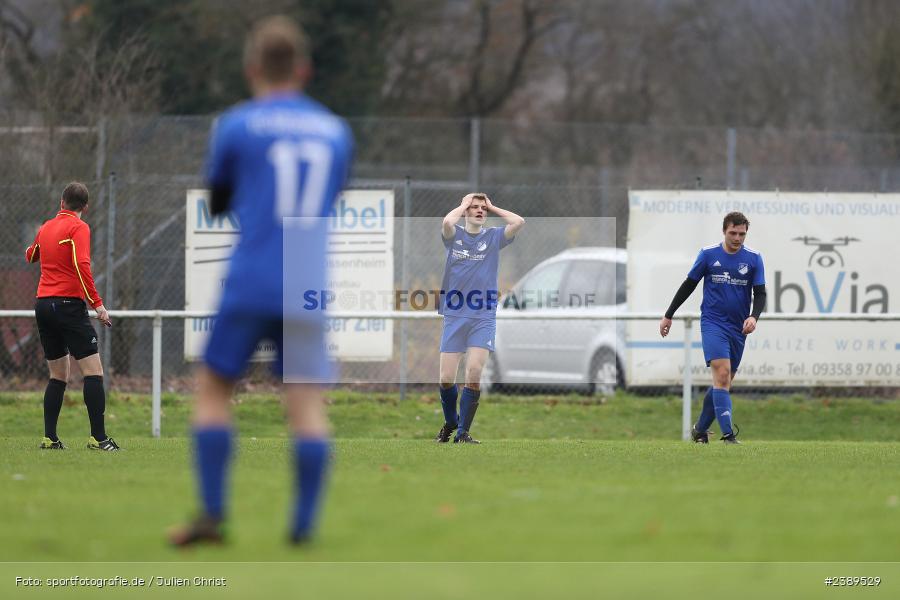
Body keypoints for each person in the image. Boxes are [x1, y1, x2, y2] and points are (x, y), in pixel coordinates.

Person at [169, 15, 353, 546]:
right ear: (304, 69)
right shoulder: (335, 130)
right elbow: (331, 197)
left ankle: (212, 515)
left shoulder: (237, 124)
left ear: (252, 68)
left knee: (213, 389)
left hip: (251, 275)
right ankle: (302, 526)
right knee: (306, 402)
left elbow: (218, 199)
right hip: (305, 277)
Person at [24, 181, 117, 451]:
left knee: (58, 375)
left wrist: (35, 247)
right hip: (67, 305)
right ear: (85, 207)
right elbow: (81, 264)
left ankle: (50, 438)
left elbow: (32, 256)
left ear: (62, 203)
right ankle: (98, 439)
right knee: (94, 372)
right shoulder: (79, 227)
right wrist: (97, 305)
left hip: (43, 305)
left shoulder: (46, 226)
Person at [659, 211, 766, 444]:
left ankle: (699, 430)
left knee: (723, 382)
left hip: (739, 328)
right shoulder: (708, 255)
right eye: (733, 233)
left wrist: (754, 317)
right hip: (713, 323)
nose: (737, 238)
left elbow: (760, 294)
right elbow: (689, 285)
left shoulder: (755, 258)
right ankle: (728, 435)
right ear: (724, 231)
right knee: (722, 374)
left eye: (742, 234)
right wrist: (669, 315)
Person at [435, 193, 524, 444]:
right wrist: (463, 204)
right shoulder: (455, 237)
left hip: (483, 314)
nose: (479, 211)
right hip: (455, 313)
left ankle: (463, 432)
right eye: (474, 207)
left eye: (482, 208)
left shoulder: (493, 237)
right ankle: (451, 421)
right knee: (445, 378)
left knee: (473, 371)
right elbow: (447, 224)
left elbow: (519, 222)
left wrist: (493, 206)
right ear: (465, 211)